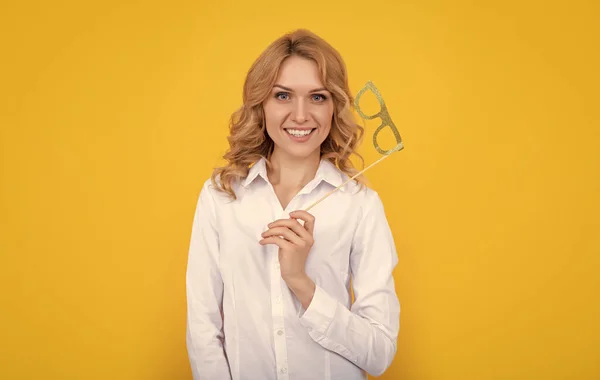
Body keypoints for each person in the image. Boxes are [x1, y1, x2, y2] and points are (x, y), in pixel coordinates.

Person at [185, 29, 400, 380]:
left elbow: (379, 354)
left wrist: (299, 280)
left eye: (317, 97)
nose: (300, 115)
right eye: (283, 95)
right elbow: (203, 328)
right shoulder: (222, 197)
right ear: (261, 104)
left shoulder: (360, 206)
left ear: (334, 106)